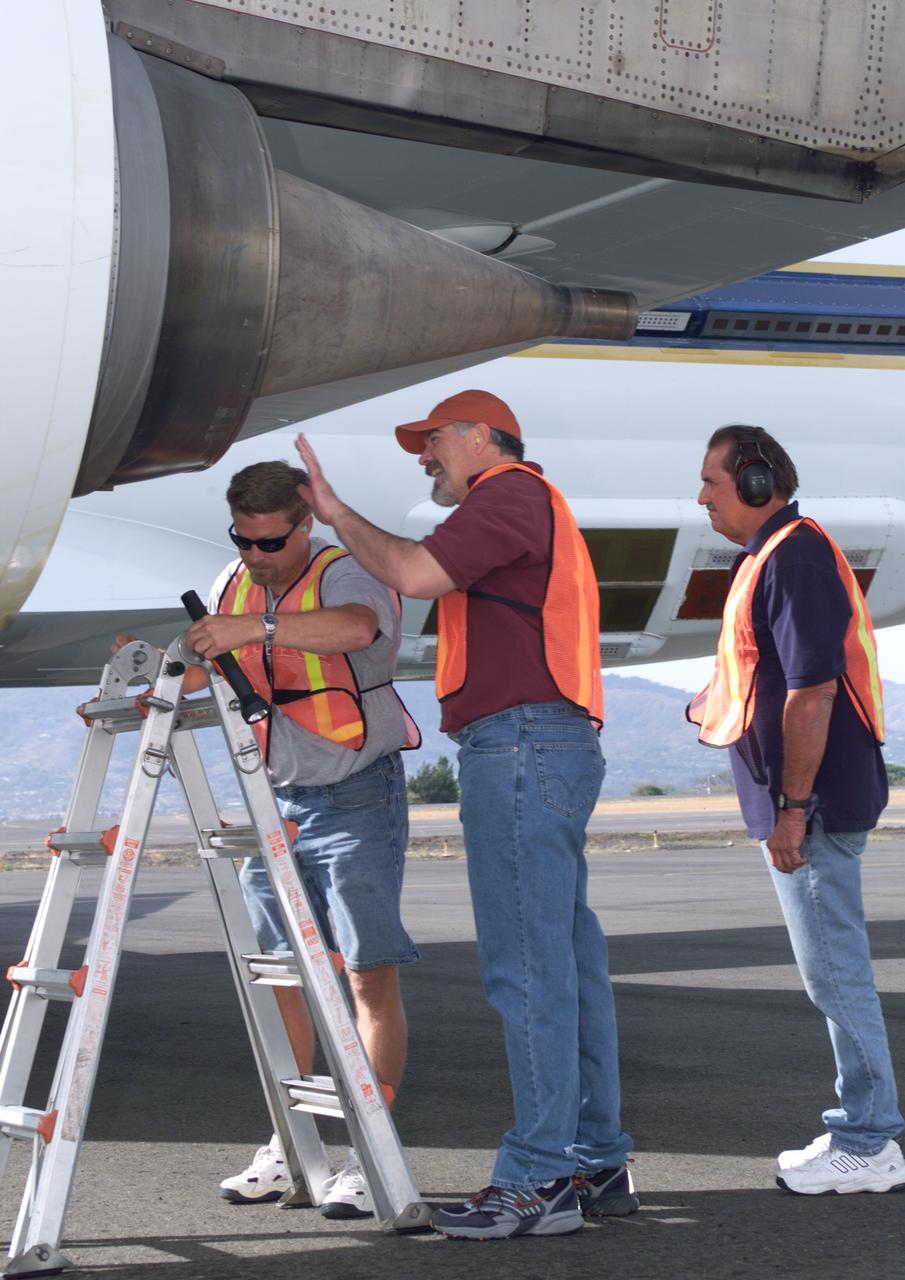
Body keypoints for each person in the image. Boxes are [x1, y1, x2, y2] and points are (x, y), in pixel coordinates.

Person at [295, 390, 637, 1240]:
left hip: (520, 748)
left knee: (526, 969)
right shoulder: (527, 503)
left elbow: (411, 573)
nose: (424, 456)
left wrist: (335, 514)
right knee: (566, 965)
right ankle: (593, 1159)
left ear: (483, 437)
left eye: (434, 440)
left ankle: (539, 1178)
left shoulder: (509, 495)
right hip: (544, 743)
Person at [168, 460, 420, 1217]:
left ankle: (369, 1147)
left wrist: (256, 625)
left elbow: (355, 631)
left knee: (366, 976)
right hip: (273, 803)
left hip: (356, 798)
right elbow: (201, 661)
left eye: (269, 543)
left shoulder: (349, 575)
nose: (254, 557)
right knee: (279, 974)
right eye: (241, 541)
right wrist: (146, 681)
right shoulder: (233, 580)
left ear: (303, 525)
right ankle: (294, 1142)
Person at [688, 424, 904, 1195]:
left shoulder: (794, 554)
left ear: (754, 483)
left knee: (834, 974)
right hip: (801, 805)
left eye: (712, 482)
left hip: (809, 810)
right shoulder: (769, 558)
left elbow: (811, 692)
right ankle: (862, 1128)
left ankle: (871, 1139)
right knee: (830, 972)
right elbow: (773, 679)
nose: (702, 496)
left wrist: (791, 809)